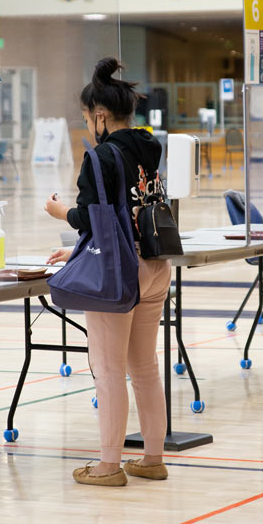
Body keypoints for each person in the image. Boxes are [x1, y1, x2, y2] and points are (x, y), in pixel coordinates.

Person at [43, 57, 169, 487]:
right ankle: (152, 458)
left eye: (86, 118)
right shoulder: (148, 146)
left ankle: (108, 465)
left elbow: (91, 217)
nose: (87, 125)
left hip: (119, 271)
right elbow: (125, 210)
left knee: (109, 369)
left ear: (99, 115)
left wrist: (62, 211)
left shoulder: (100, 157)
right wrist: (78, 252)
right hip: (155, 262)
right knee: (146, 367)